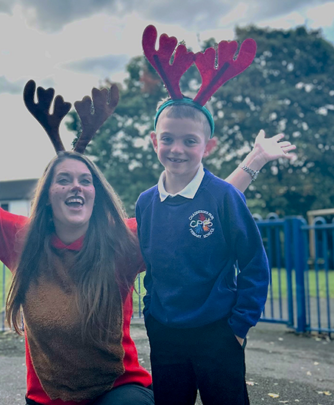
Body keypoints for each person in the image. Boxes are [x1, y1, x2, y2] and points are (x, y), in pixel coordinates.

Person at [0, 81, 294, 405]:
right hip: (49, 395)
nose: (76, 187)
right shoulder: (20, 237)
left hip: (118, 388)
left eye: (85, 180)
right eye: (63, 180)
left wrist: (254, 161)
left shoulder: (121, 240)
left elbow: (199, 208)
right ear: (47, 194)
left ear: (97, 194)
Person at [136, 25, 272, 405]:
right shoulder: (146, 202)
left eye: (190, 141)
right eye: (168, 138)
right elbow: (151, 266)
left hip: (219, 333)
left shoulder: (225, 197)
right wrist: (152, 316)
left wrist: (239, 326)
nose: (177, 148)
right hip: (166, 335)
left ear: (207, 146)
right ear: (154, 141)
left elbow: (254, 264)